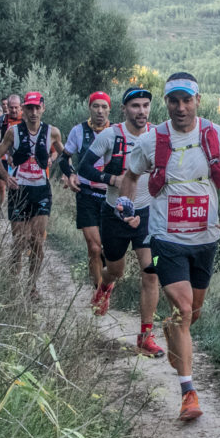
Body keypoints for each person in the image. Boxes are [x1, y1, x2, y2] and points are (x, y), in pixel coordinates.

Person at [118, 73, 220, 421]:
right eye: (174, 101)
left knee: (191, 313)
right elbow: (130, 176)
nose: (181, 107)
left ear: (197, 100)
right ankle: (189, 392)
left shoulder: (217, 136)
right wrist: (126, 207)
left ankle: (173, 333)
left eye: (187, 100)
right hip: (163, 238)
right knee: (184, 308)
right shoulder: (152, 140)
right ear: (167, 103)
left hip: (205, 238)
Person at [75, 88, 164, 358]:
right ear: (124, 109)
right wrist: (112, 180)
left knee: (151, 272)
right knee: (116, 270)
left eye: (146, 105)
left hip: (148, 214)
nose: (141, 111)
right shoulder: (110, 135)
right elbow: (84, 167)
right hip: (113, 213)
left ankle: (145, 336)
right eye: (135, 106)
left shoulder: (158, 136)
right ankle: (105, 286)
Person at [0, 92, 66, 299]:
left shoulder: (53, 132)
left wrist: (60, 164)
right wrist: (6, 177)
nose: (33, 112)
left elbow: (65, 153)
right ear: (23, 109)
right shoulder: (13, 132)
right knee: (20, 240)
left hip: (41, 190)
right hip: (19, 190)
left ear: (43, 108)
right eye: (29, 108)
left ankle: (32, 287)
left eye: (37, 108)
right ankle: (13, 280)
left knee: (37, 241)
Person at [58, 91, 113, 290]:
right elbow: (63, 159)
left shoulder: (117, 132)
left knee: (109, 249)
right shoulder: (78, 131)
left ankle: (107, 280)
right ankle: (98, 291)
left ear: (109, 109)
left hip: (111, 196)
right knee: (94, 247)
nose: (100, 111)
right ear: (89, 108)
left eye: (104, 107)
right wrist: (71, 174)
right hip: (86, 194)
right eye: (96, 106)